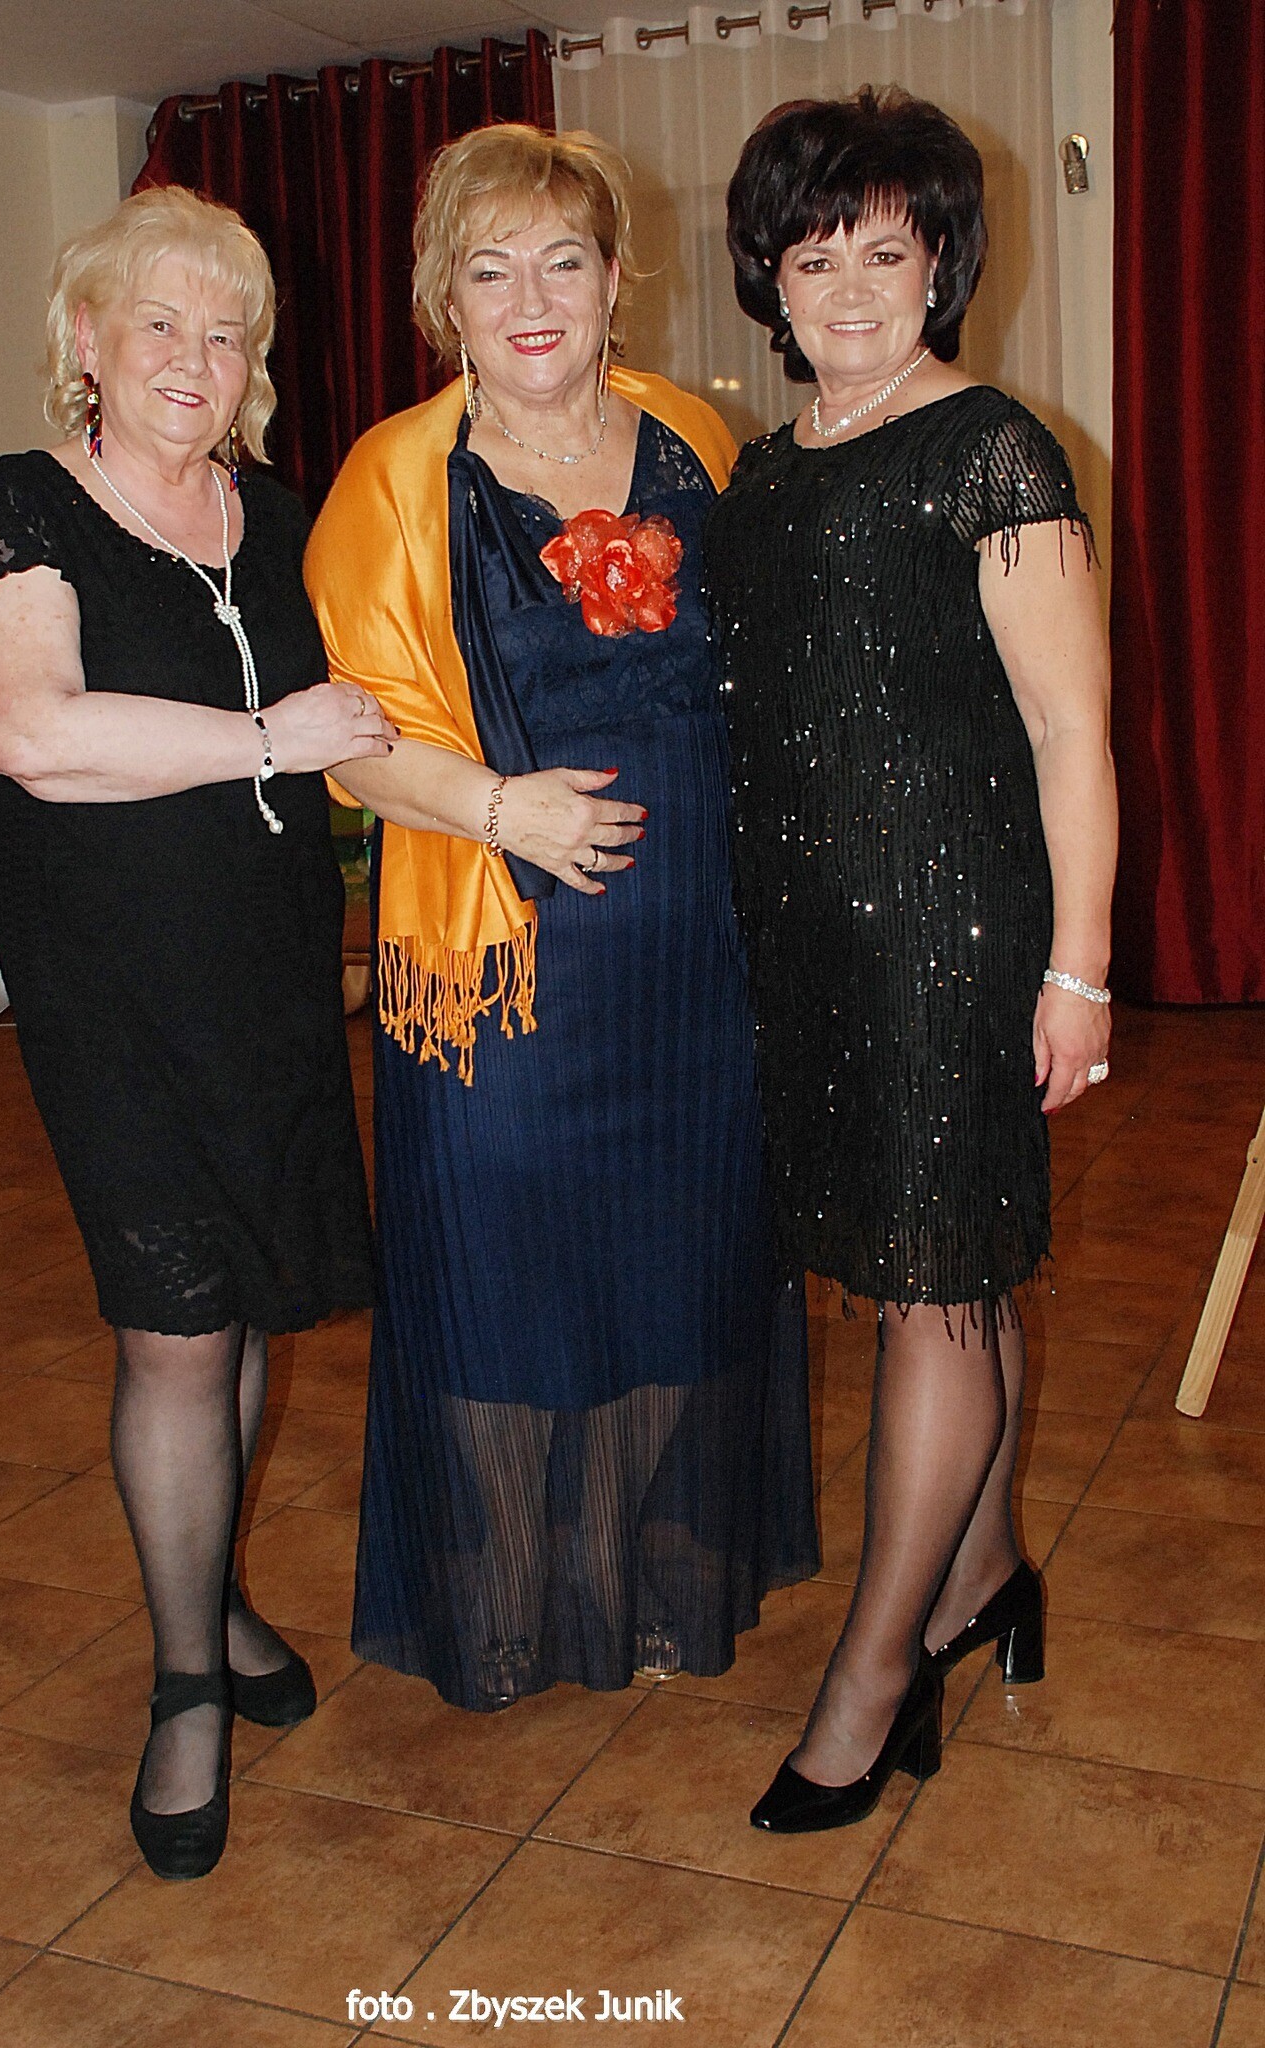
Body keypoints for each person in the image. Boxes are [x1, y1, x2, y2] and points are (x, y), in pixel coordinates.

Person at [306, 124, 819, 1715]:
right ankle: (514, 1612)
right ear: (443, 301)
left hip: (696, 962)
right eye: (490, 271)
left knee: (680, 1275)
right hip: (505, 975)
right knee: (503, 1289)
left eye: (562, 263)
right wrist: (496, 810)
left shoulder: (697, 439)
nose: (530, 300)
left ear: (613, 279)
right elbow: (349, 737)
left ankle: (634, 1589)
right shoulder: (397, 479)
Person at [0, 187, 385, 1880]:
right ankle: (186, 1679)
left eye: (228, 330)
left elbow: (384, 695)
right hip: (114, 983)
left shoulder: (284, 517)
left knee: (248, 1297)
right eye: (160, 323)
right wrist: (272, 735)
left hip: (268, 967)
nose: (196, 358)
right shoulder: (23, 500)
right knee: (178, 1327)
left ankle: (217, 1596)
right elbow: (30, 727)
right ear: (87, 341)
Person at [704, 87, 1117, 1833]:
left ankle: (874, 1674)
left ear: (943, 263)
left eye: (888, 251)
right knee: (944, 1272)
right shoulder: (760, 470)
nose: (854, 288)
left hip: (949, 928)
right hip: (804, 935)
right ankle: (988, 1572)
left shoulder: (995, 448)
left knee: (931, 1288)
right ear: (771, 282)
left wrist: (1079, 968)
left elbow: (1072, 732)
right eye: (817, 258)